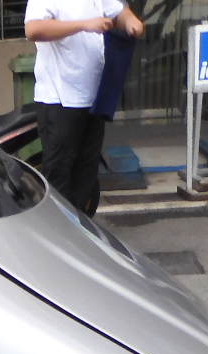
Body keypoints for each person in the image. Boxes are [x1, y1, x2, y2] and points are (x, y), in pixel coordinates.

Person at [24, 0, 145, 213]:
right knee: (59, 176)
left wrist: (130, 21)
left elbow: (119, 11)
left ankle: (79, 227)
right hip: (60, 99)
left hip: (94, 99)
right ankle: (58, 229)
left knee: (86, 175)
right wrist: (84, 24)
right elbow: (33, 29)